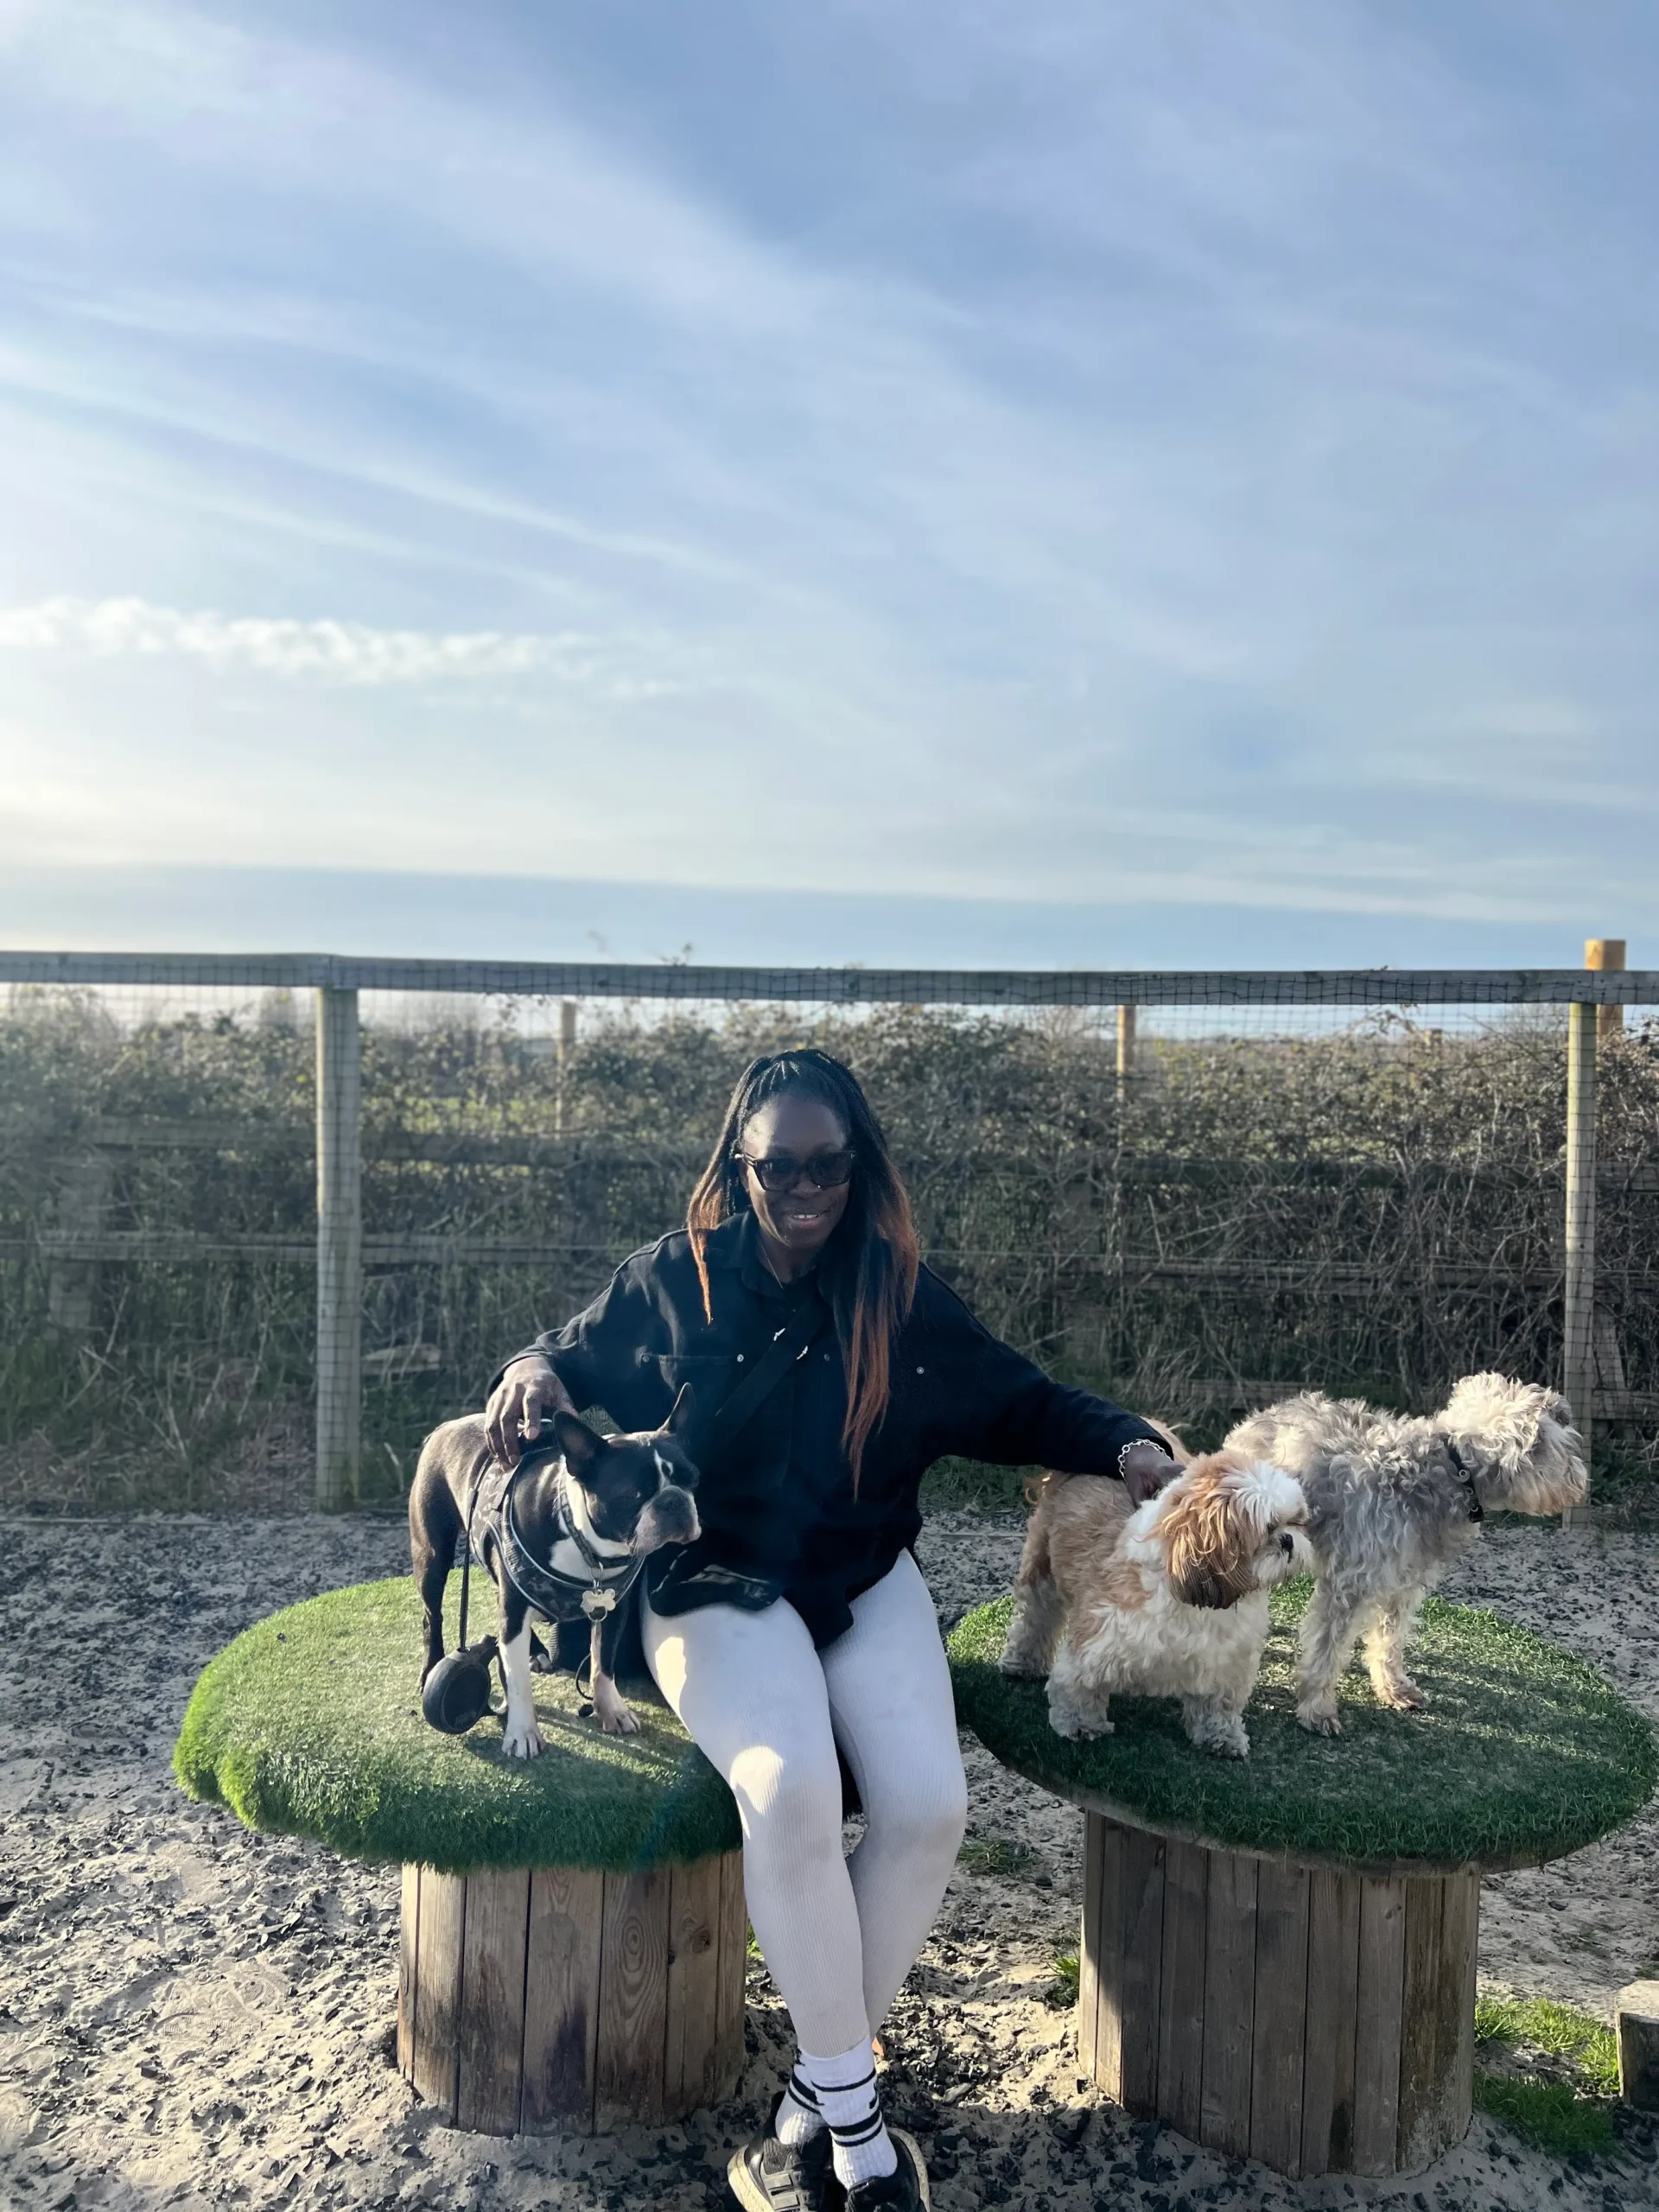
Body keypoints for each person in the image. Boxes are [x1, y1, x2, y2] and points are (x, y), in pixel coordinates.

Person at [485, 1049, 1178, 2212]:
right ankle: (857, 2144)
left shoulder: (900, 1295)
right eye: (778, 1167)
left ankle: (812, 2093)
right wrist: (526, 1373)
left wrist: (1125, 1446)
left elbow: (1022, 1399)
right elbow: (563, 1356)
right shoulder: (677, 1280)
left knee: (929, 1806)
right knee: (788, 1781)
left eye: (828, 1165)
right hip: (711, 1578)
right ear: (738, 1166)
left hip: (861, 1574)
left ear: (858, 1168)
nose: (804, 1188)